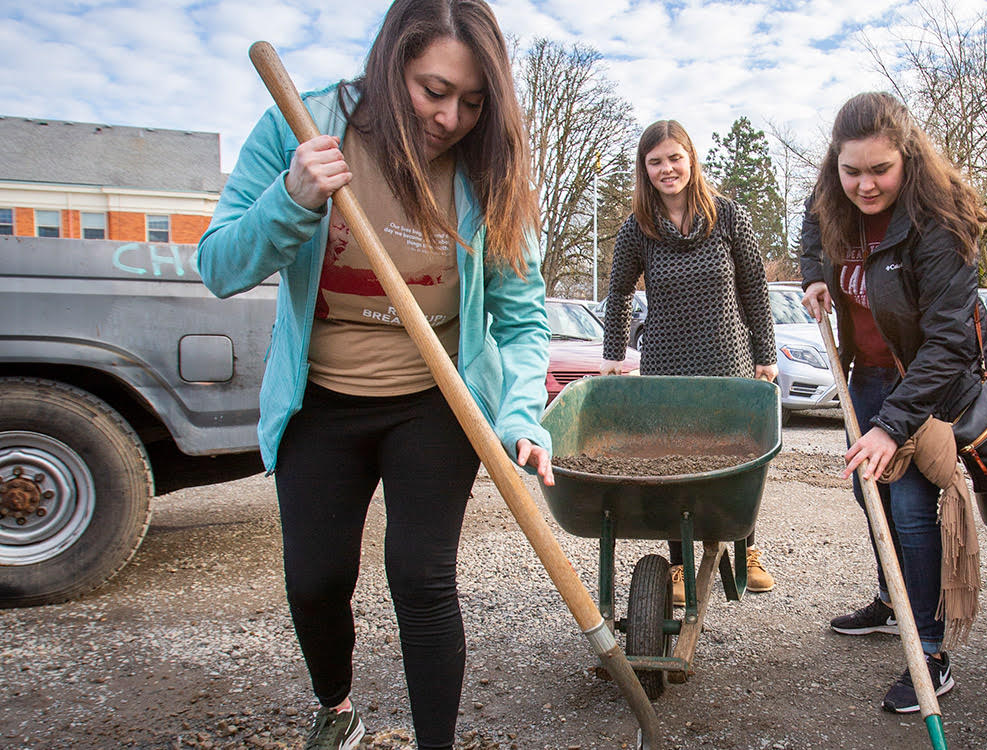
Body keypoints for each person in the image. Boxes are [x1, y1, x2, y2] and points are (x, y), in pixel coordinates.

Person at [196, 1, 553, 747]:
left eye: (473, 101)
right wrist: (291, 199)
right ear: (391, 65)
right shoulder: (305, 128)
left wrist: (520, 415)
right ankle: (336, 709)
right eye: (433, 90)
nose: (451, 116)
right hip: (320, 399)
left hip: (435, 397)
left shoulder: (492, 169)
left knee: (422, 581)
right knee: (316, 581)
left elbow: (520, 321)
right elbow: (220, 265)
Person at [799, 91, 987, 714]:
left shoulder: (939, 224)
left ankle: (931, 654)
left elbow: (949, 343)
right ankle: (894, 602)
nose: (865, 185)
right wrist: (815, 275)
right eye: (851, 171)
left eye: (879, 169)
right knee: (868, 492)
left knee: (909, 508)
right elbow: (811, 223)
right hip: (869, 374)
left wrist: (889, 426)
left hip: (923, 383)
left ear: (906, 156)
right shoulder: (835, 196)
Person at [599, 119, 779, 602]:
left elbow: (755, 289)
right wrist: (614, 356)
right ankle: (679, 565)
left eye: (674, 157)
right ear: (645, 169)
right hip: (666, 361)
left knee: (737, 457)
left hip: (729, 358)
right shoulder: (636, 229)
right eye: (655, 161)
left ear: (691, 158)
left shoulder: (728, 216)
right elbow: (617, 294)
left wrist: (765, 356)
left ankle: (747, 548)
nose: (666, 169)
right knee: (671, 459)